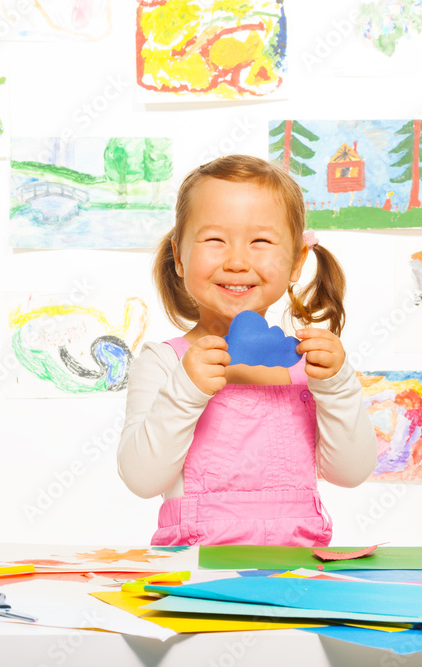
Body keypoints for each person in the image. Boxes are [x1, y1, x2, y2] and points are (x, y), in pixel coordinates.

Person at [117, 155, 378, 547]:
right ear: (180, 256)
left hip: (298, 575)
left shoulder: (310, 365)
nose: (237, 261)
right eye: (214, 240)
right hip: (194, 573)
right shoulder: (164, 362)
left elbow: (351, 472)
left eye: (260, 241)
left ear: (296, 261)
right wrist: (186, 390)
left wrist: (337, 388)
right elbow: (140, 478)